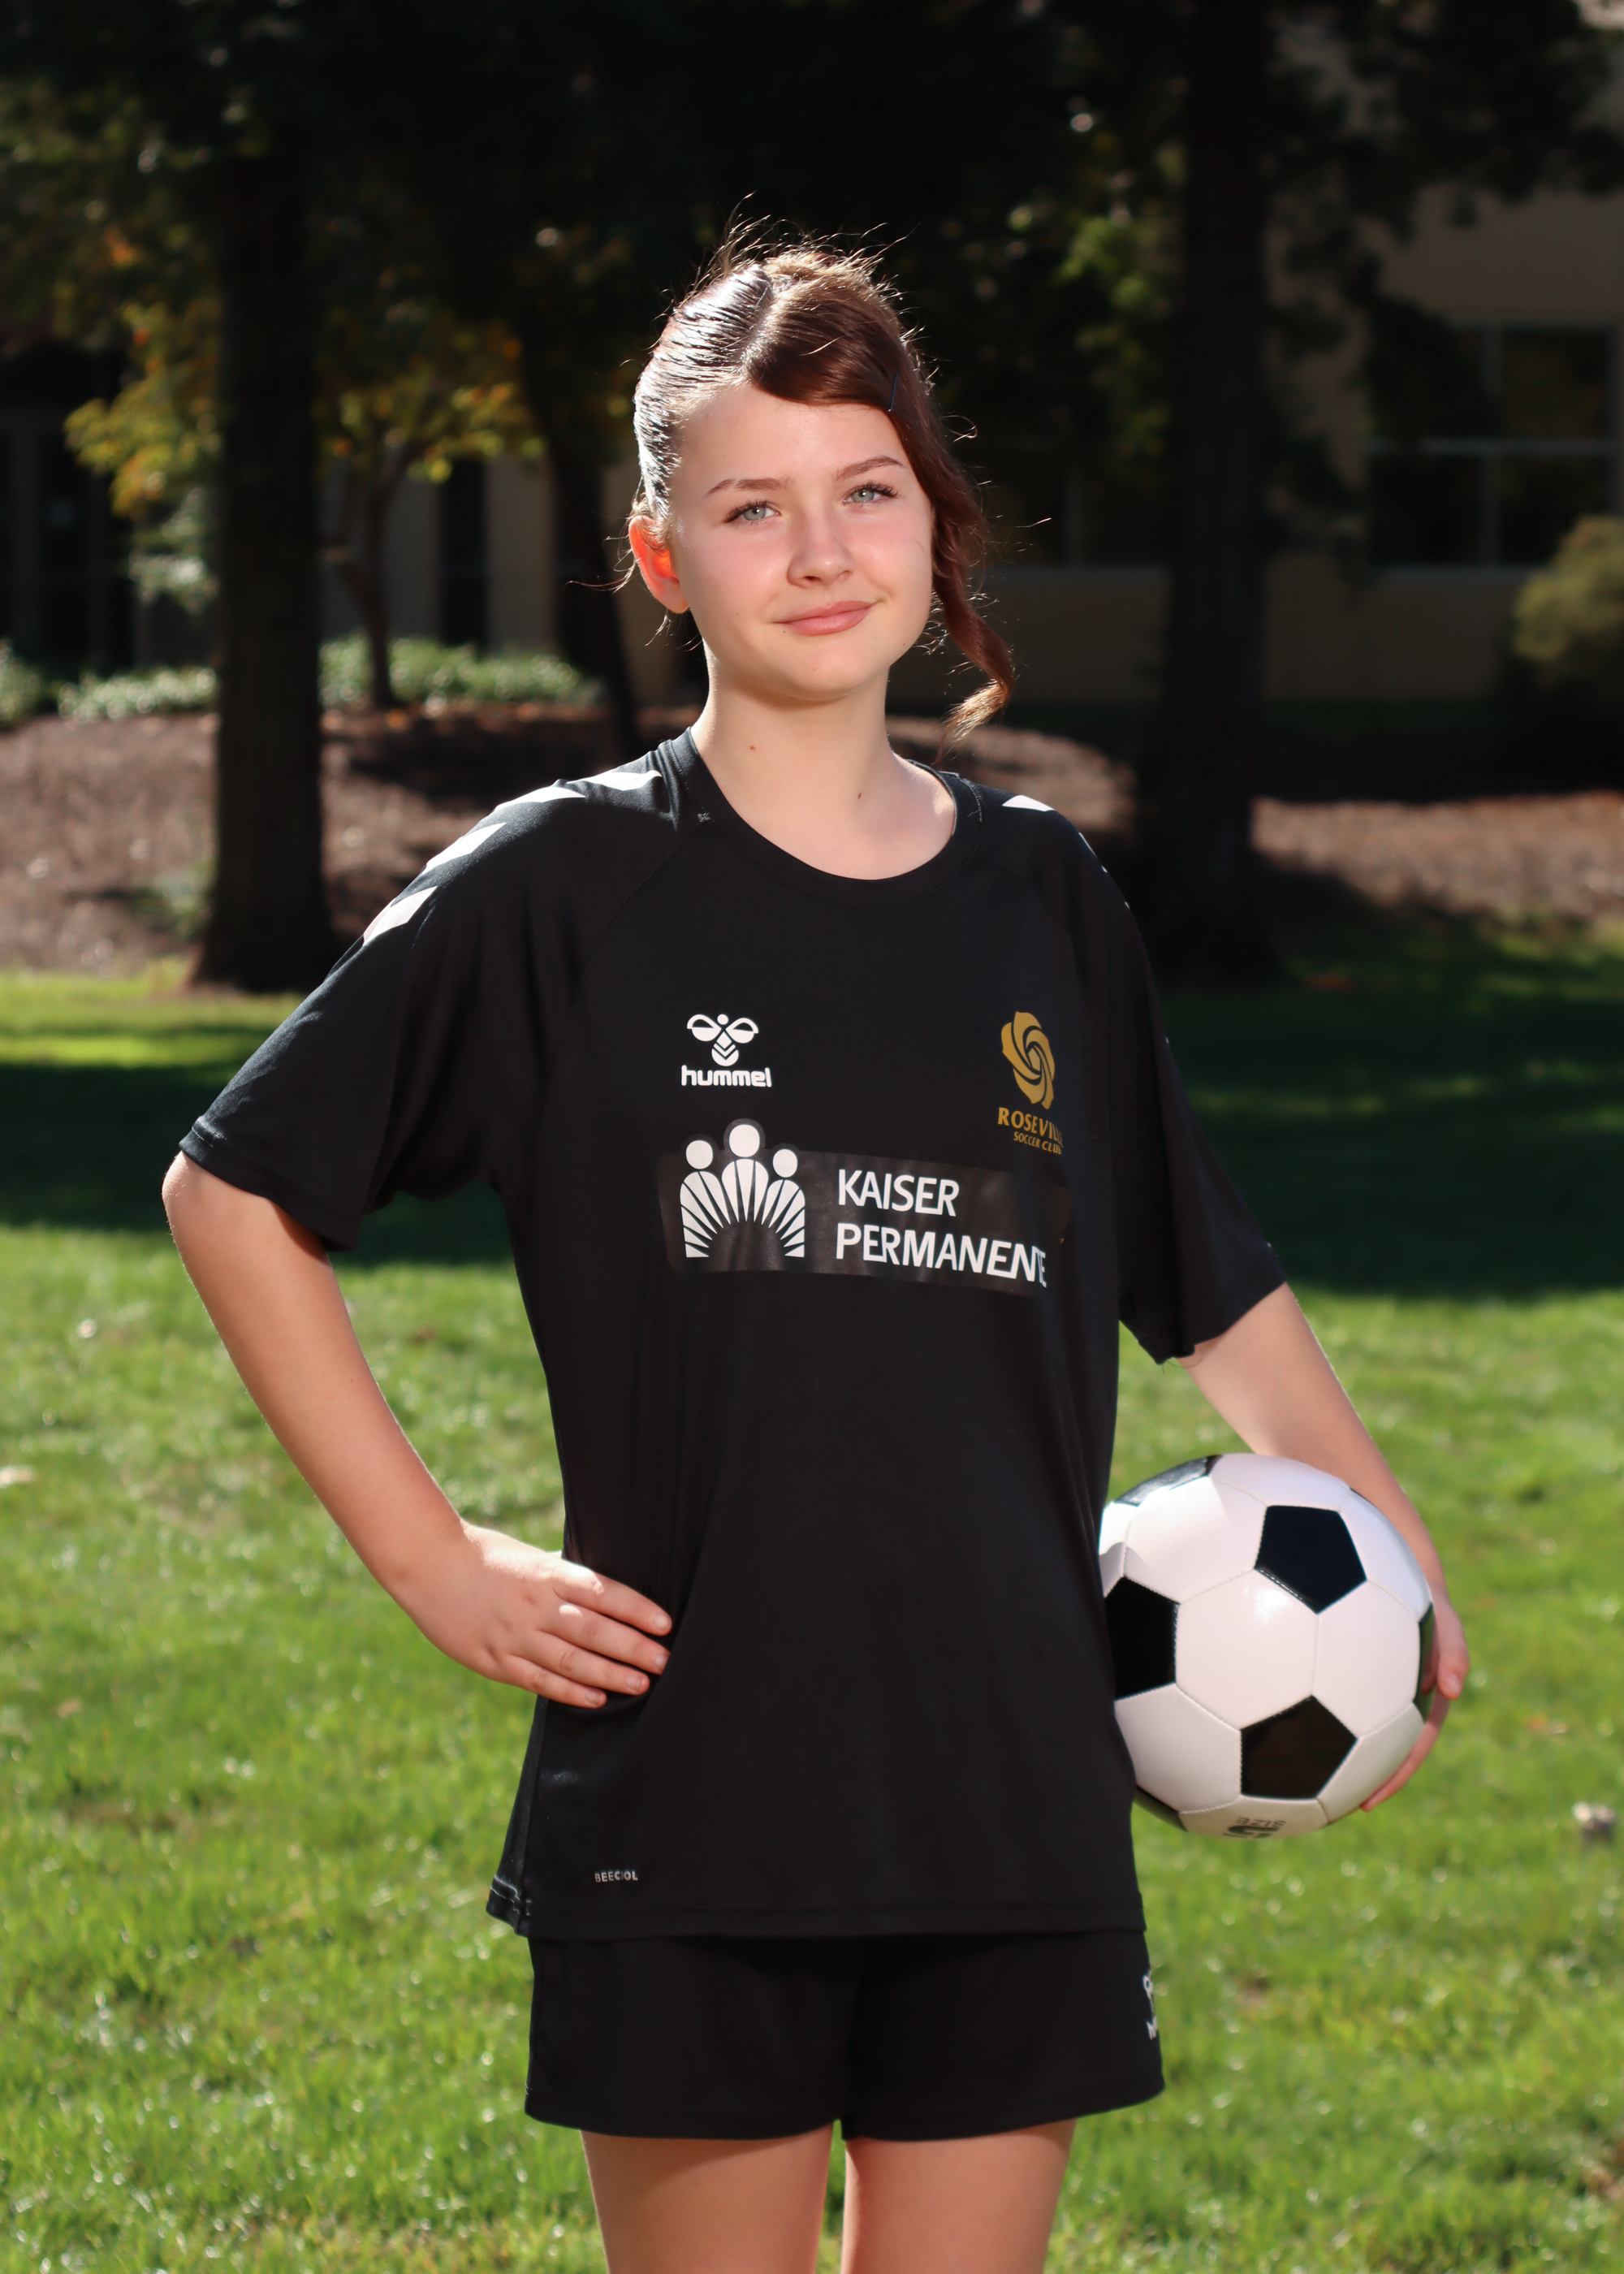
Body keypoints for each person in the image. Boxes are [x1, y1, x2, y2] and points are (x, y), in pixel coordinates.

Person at [162, 239, 1468, 2274]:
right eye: (750, 504)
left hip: (1012, 1784)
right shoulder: (569, 882)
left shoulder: (1042, 896)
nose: (822, 549)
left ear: (934, 522)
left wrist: (1391, 1563)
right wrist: (431, 1555)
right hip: (698, 1789)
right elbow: (232, 1189)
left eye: (867, 488)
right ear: (660, 555)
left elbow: (1204, 1278)